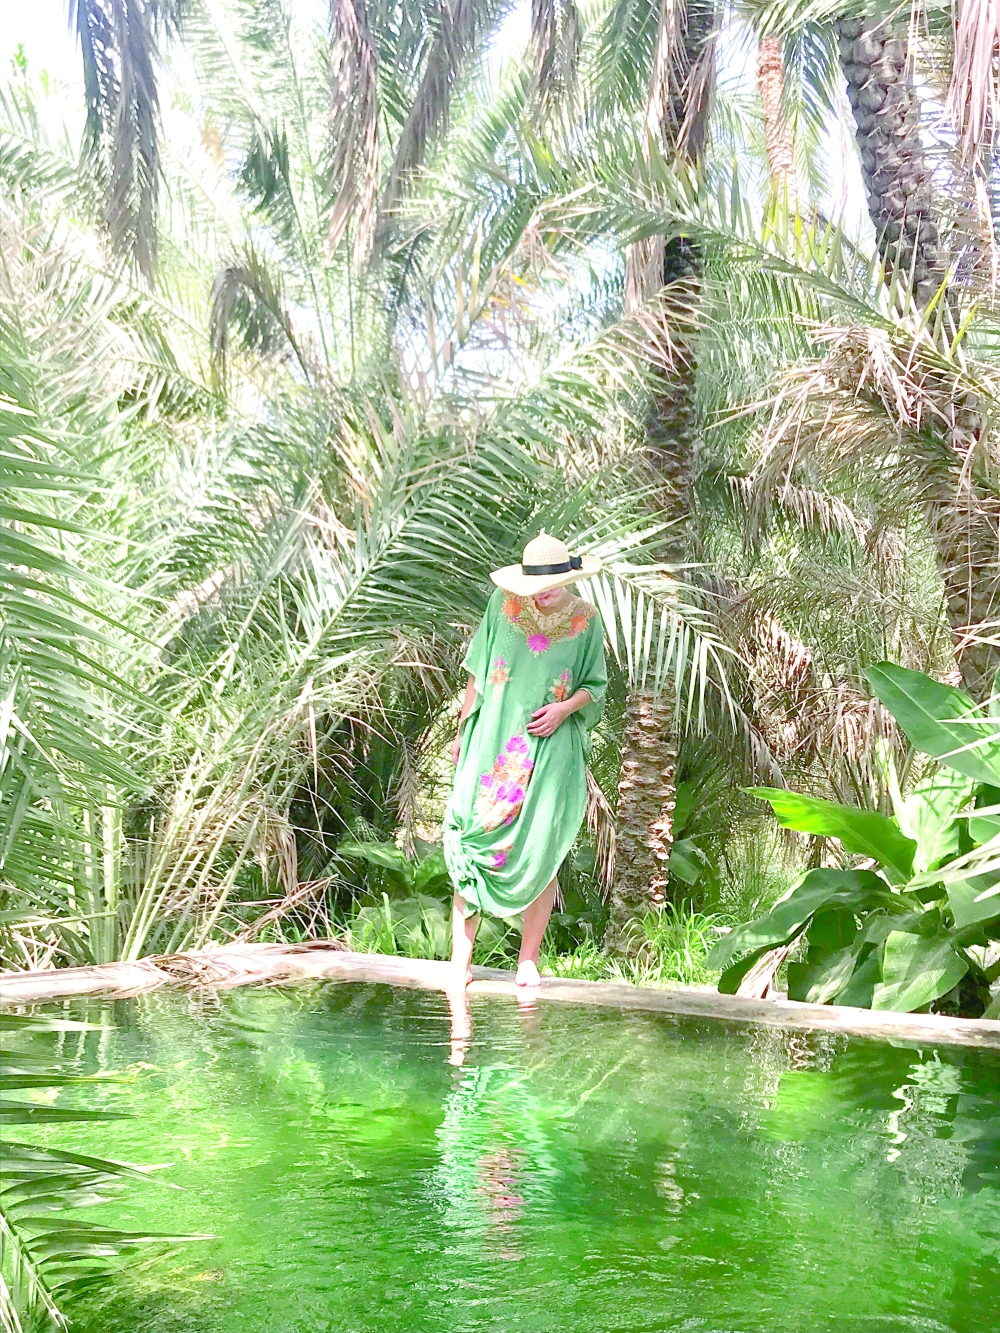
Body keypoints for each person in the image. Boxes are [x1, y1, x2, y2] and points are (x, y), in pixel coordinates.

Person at [442, 533, 607, 988]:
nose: (541, 593)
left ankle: (527, 960)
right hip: (492, 739)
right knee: (473, 838)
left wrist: (563, 710)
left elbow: (595, 686)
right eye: (535, 585)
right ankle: (460, 962)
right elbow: (477, 671)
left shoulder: (587, 620)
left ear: (569, 578)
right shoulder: (503, 604)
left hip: (550, 751)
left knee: (542, 848)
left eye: (550, 585)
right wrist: (462, 732)